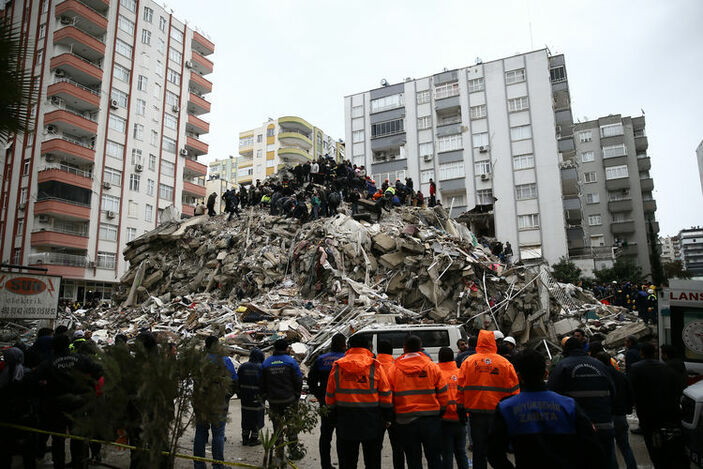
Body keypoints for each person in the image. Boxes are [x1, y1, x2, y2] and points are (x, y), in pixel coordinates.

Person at [486, 350, 606, 469]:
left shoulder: (506, 408)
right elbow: (593, 448)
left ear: (519, 376)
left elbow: (494, 452)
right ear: (545, 374)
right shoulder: (568, 405)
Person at [326, 334, 392, 469]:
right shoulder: (375, 366)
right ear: (368, 347)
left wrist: (332, 416)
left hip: (345, 420)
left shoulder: (338, 367)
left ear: (349, 346)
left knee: (348, 461)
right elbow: (385, 395)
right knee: (373, 461)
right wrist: (387, 417)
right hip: (372, 420)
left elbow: (330, 396)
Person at [36, 334, 102, 469]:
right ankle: (79, 464)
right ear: (68, 345)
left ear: (53, 346)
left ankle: (59, 464)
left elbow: (34, 379)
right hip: (79, 404)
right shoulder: (80, 359)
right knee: (78, 436)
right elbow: (99, 371)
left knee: (58, 438)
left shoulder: (48, 363)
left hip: (56, 405)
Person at [547, 337, 615, 466]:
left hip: (575, 430)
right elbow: (613, 392)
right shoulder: (599, 365)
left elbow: (552, 396)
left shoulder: (563, 366)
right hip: (604, 426)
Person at [458, 329, 519, 469]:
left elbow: (460, 387)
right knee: (498, 450)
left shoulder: (468, 362)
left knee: (479, 450)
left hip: (476, 412)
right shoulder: (504, 363)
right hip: (499, 413)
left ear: (479, 342)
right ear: (494, 343)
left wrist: (459, 407)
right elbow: (514, 389)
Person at [389, 335, 447, 469]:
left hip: (405, 421)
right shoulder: (432, 367)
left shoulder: (394, 369)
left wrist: (391, 415)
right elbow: (443, 392)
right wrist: (442, 411)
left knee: (413, 459)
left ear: (404, 348)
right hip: (431, 420)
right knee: (434, 458)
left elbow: (389, 396)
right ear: (421, 348)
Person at [629, 342, 689, 469]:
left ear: (641, 353)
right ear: (655, 353)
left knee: (653, 447)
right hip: (667, 412)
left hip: (647, 414)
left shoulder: (636, 368)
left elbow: (633, 390)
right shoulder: (665, 368)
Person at [194, 336, 238, 469]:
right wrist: (227, 396)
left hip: (201, 401)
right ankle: (218, 465)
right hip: (218, 402)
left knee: (201, 432)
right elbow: (234, 380)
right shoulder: (224, 360)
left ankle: (199, 465)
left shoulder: (199, 360)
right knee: (218, 433)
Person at [308, 333, 347, 469]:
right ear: (344, 345)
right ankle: (343, 463)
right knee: (342, 437)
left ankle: (326, 465)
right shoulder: (346, 360)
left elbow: (311, 381)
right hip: (343, 403)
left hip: (325, 402)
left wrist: (319, 396)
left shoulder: (321, 359)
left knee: (325, 435)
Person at [593, 352, 637, 469]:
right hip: (620, 416)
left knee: (610, 448)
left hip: (606, 416)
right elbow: (630, 395)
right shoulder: (621, 375)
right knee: (625, 446)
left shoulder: (599, 376)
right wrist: (626, 410)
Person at [262, 339, 304, 460]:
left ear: (274, 349)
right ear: (287, 349)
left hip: (274, 401)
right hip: (289, 399)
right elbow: (298, 380)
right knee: (292, 425)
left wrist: (266, 396)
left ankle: (279, 452)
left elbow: (262, 382)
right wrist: (296, 396)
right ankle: (293, 450)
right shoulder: (291, 362)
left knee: (277, 426)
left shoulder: (267, 363)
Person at [437, 347, 469, 469]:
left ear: (439, 358)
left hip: (444, 420)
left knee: (447, 453)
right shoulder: (461, 373)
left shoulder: (437, 374)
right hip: (461, 419)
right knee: (461, 452)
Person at [376, 341, 404, 469]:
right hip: (395, 411)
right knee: (398, 447)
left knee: (375, 448)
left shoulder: (372, 366)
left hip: (376, 412)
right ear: (391, 351)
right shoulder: (397, 367)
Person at [237, 348, 265, 446]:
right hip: (258, 398)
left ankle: (245, 438)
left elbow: (237, 382)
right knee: (257, 418)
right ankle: (254, 439)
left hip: (245, 398)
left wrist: (239, 393)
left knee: (245, 417)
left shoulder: (243, 367)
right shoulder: (262, 368)